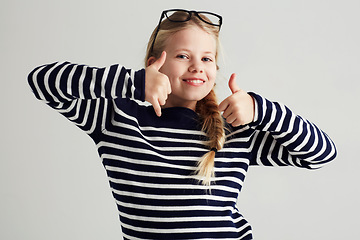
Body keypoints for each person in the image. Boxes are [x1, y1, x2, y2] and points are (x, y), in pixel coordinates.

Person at [28, 9, 337, 240]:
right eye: (182, 55)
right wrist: (132, 83)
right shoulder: (117, 120)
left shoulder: (234, 131)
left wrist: (262, 109)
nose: (196, 67)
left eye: (206, 59)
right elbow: (43, 81)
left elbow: (322, 154)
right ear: (154, 63)